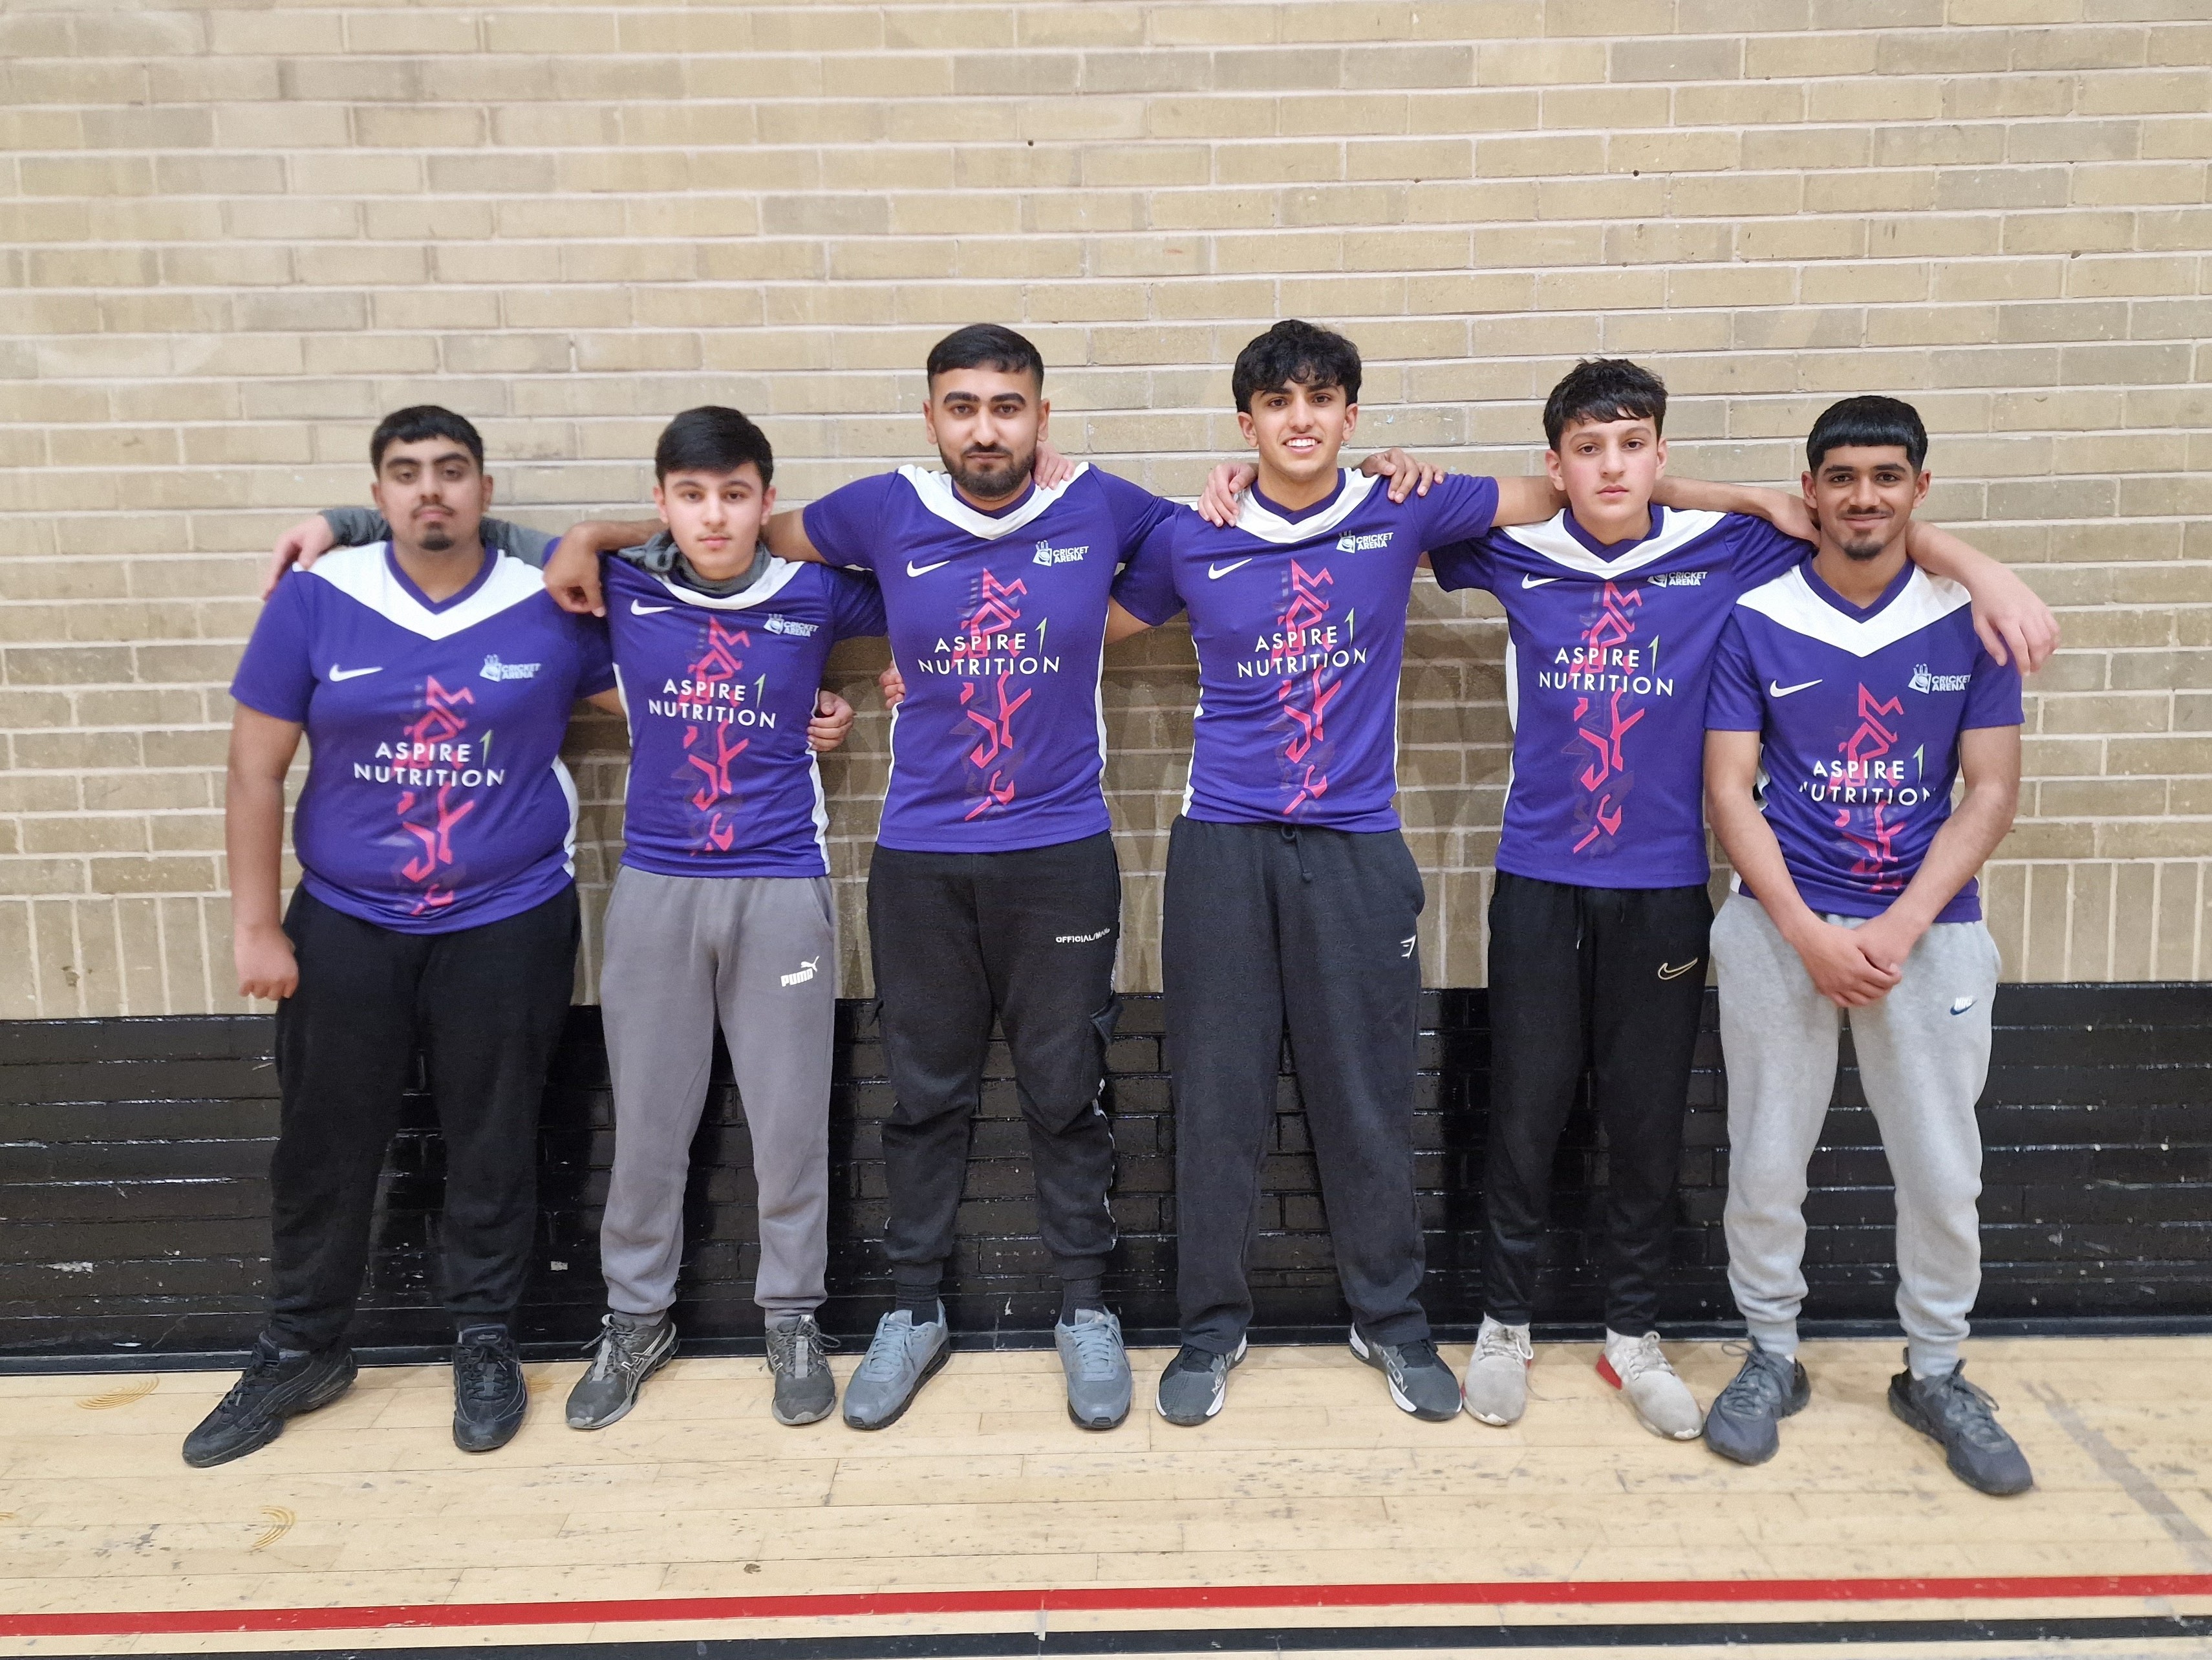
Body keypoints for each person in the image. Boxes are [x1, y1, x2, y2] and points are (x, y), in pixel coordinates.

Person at [1424, 361, 2057, 1441]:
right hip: (1537, 876)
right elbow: (1429, 519)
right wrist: (1396, 468)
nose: (1611, 466)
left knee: (1645, 1125)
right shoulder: (1517, 551)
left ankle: (1631, 1338)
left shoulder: (1727, 550)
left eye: (1632, 447)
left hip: (1668, 883)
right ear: (1556, 461)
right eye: (1587, 448)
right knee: (1523, 1114)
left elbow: (1854, 525)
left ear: (1661, 455)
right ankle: (1501, 1326)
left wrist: (1978, 568)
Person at [271, 416, 867, 1432]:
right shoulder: (624, 581)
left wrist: (866, 693)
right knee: (647, 1125)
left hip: (779, 882)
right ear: (664, 500)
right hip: (652, 885)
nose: (713, 515)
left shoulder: (816, 593)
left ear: (766, 499)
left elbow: (940, 579)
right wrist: (337, 520)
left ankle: (792, 1319)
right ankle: (635, 1320)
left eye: (734, 494)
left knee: (788, 1127)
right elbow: (474, 534)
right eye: (690, 494)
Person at [1107, 321, 1557, 1425]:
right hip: (1221, 843)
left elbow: (1566, 496)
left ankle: (1391, 1321)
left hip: (1356, 846)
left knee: (1362, 1095)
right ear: (1246, 421)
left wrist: (1763, 509)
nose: (1299, 419)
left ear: (1351, 417)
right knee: (1216, 1097)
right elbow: (1080, 625)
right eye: (1277, 402)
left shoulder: (1399, 505)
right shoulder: (1188, 533)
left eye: (1321, 400)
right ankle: (1209, 1331)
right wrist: (935, 679)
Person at [186, 406, 621, 1467]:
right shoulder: (317, 599)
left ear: (484, 490)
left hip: (507, 916)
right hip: (344, 921)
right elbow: (254, 770)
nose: (431, 491)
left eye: (452, 472)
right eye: (406, 474)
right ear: (376, 495)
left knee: (494, 1137)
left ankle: (483, 1338)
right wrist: (256, 925)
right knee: (324, 1147)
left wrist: (799, 714)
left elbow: (674, 684)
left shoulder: (553, 602)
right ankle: (302, 1345)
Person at [1701, 396, 2033, 1496]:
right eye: (1839, 476)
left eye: (1884, 477)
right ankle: (1770, 1356)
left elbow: (1989, 795)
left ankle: (1935, 1371)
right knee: (1763, 1159)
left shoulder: (1964, 620)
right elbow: (1728, 793)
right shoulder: (1755, 617)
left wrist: (1892, 927)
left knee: (1942, 1174)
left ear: (1917, 491)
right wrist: (1802, 929)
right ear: (1810, 490)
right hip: (1776, 931)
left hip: (1927, 936)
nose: (1862, 496)